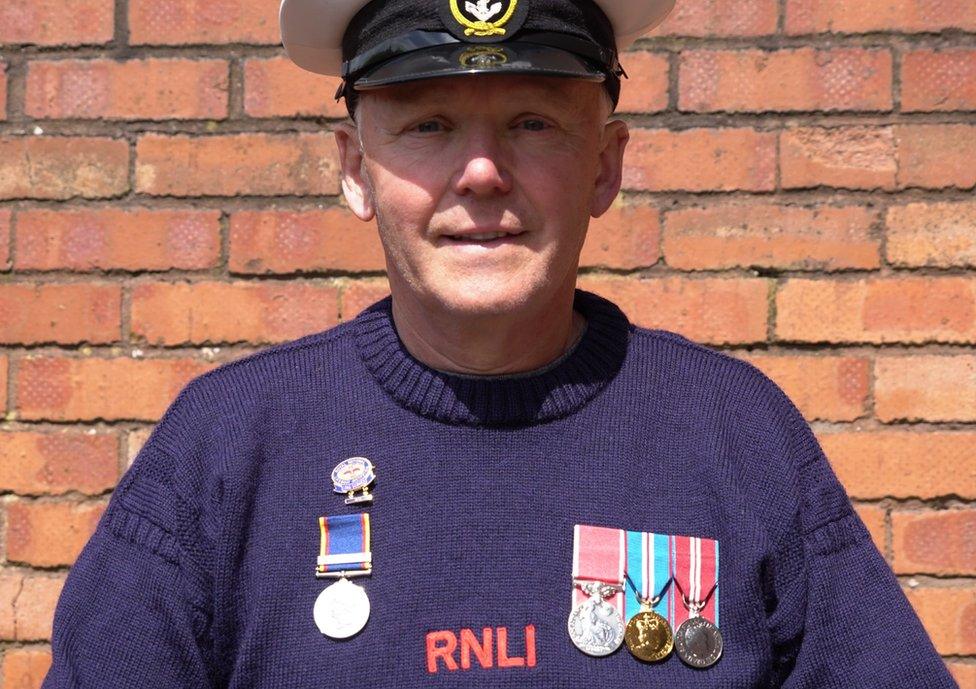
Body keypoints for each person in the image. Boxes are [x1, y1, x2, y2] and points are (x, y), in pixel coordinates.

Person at [42, 0, 957, 687]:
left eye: (532, 123)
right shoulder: (224, 449)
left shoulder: (735, 434)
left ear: (605, 164)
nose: (481, 171)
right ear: (356, 170)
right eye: (430, 125)